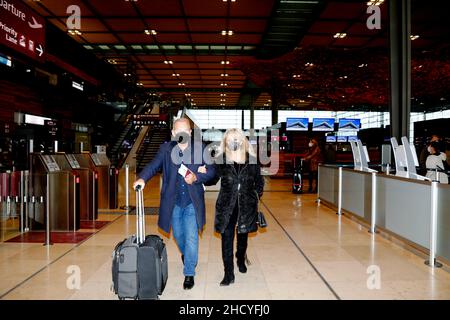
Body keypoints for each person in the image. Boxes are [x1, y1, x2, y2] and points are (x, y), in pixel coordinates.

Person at [133, 118, 216, 290]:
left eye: (185, 131)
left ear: (190, 133)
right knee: (178, 235)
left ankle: (189, 273)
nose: (182, 134)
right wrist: (142, 178)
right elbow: (153, 165)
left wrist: (197, 177)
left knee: (192, 236)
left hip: (193, 201)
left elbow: (213, 171)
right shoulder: (165, 149)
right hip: (173, 202)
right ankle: (187, 256)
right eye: (178, 131)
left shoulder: (201, 149)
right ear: (173, 133)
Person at [201, 128, 264, 286]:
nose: (233, 142)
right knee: (226, 237)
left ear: (243, 140)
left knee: (242, 235)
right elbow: (212, 179)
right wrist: (203, 174)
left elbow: (259, 181)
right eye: (230, 139)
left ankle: (240, 258)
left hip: (246, 205)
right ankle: (228, 273)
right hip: (226, 205)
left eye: (236, 138)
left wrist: (255, 195)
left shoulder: (252, 160)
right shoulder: (220, 160)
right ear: (225, 142)